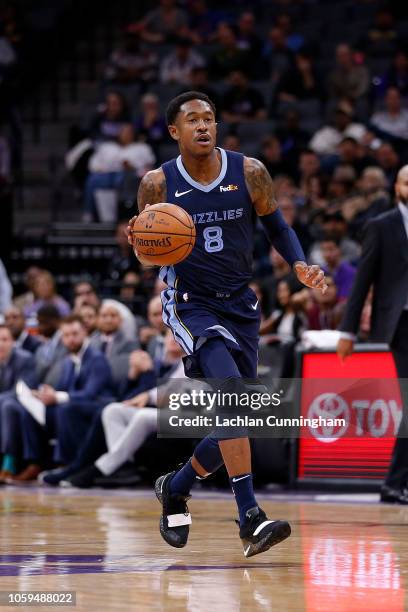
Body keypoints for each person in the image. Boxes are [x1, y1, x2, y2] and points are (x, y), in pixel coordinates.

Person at [127, 91, 327, 556]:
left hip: (241, 302)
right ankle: (250, 518)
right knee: (234, 399)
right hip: (192, 303)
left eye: (210, 118)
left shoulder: (250, 171)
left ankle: (175, 487)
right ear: (174, 131)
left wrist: (298, 264)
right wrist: (138, 242)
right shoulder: (157, 184)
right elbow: (144, 254)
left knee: (242, 413)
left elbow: (278, 227)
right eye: (193, 120)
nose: (203, 126)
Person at [337, 165, 408, 505]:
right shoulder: (381, 226)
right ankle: (393, 484)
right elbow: (362, 281)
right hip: (401, 324)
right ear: (397, 187)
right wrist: (347, 330)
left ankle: (396, 484)